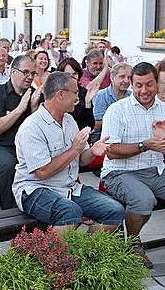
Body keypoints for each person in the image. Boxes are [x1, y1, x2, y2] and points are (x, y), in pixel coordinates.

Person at [100, 62, 165, 268]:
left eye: (149, 85)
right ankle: (133, 243)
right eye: (138, 85)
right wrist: (145, 145)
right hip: (120, 173)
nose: (144, 90)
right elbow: (111, 150)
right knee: (143, 199)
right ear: (132, 85)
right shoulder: (117, 110)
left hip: (156, 171)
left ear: (157, 83)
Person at [14, 72, 125, 232]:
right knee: (70, 212)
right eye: (75, 92)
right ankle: (51, 256)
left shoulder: (69, 120)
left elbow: (81, 160)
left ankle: (87, 254)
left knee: (115, 210)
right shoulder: (32, 127)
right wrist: (74, 149)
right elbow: (42, 172)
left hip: (68, 188)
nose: (78, 97)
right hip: (35, 189)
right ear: (60, 94)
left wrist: (93, 151)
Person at [0, 55, 41, 210]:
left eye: (33, 73)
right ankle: (8, 213)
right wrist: (20, 109)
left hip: (27, 146)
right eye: (26, 72)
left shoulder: (34, 94)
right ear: (13, 71)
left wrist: (35, 108)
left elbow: (39, 126)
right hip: (1, 146)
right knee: (9, 165)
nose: (30, 77)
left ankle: (36, 208)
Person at [92, 62, 132, 141]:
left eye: (129, 78)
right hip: (102, 136)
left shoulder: (132, 96)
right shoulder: (102, 95)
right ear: (112, 77)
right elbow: (98, 123)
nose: (126, 81)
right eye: (122, 77)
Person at [56, 58, 97, 131]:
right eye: (67, 74)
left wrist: (88, 103)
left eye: (74, 74)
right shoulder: (56, 93)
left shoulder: (84, 92)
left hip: (81, 135)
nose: (72, 77)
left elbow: (90, 125)